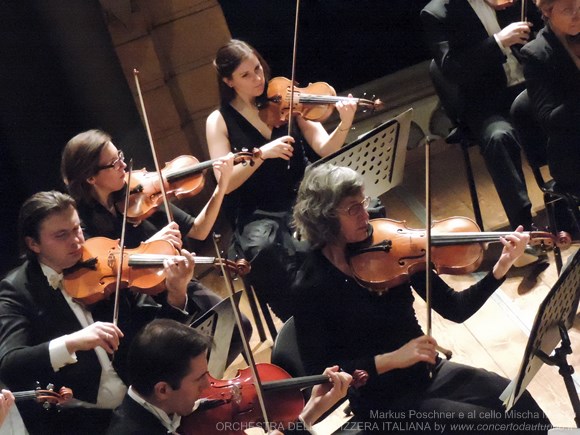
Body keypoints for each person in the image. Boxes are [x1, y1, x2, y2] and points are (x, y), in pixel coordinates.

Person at [290, 164, 551, 434]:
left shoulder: (388, 245)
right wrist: (393, 358)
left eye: (363, 203)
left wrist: (501, 267)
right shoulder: (311, 285)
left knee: (518, 403)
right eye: (353, 209)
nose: (365, 215)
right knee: (491, 425)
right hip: (384, 403)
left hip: (427, 371)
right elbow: (319, 375)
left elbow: (455, 308)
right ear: (324, 217)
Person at [0, 191, 199, 434]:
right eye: (62, 235)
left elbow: (153, 335)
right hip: (85, 420)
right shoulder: (17, 290)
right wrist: (73, 342)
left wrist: (176, 293)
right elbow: (10, 363)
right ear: (34, 244)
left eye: (77, 229)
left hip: (142, 397)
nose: (77, 241)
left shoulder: (102, 261)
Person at [61, 129, 252, 367]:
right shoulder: (82, 225)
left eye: (120, 156)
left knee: (239, 326)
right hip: (142, 305)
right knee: (185, 355)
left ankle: (205, 383)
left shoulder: (137, 195)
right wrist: (153, 246)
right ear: (91, 177)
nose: (123, 166)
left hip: (174, 280)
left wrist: (220, 187)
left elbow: (199, 230)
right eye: (113, 163)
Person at [205, 39, 359, 320]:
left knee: (356, 215)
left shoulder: (285, 98)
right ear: (228, 81)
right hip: (259, 211)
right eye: (246, 75)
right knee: (267, 252)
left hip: (304, 196)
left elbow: (325, 148)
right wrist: (261, 154)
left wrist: (344, 122)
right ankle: (304, 320)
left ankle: (360, 296)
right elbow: (225, 181)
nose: (258, 79)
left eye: (258, 69)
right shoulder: (218, 121)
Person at [421, 0, 543, 235]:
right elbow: (452, 69)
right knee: (499, 138)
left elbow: (542, 32)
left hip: (531, 87)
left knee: (565, 113)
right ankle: (524, 230)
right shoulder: (437, 13)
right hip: (487, 103)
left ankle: (564, 202)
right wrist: (498, 42)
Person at [107, 318, 353, 435]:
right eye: (199, 378)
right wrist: (308, 416)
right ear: (162, 390)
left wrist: (308, 413)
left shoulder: (166, 408)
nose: (208, 386)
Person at [520, 0, 580, 196]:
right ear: (547, 11)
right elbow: (549, 120)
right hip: (572, 153)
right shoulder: (536, 54)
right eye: (568, 10)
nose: (577, 15)